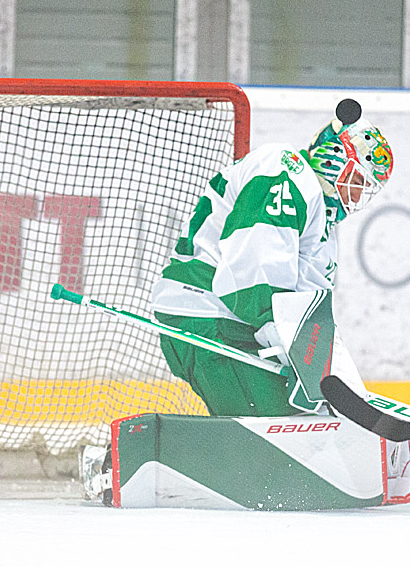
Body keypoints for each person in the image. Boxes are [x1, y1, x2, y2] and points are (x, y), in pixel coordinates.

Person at [149, 98, 393, 417]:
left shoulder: (323, 224)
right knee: (285, 425)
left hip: (236, 322)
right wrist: (307, 363)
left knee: (314, 417)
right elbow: (252, 281)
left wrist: (341, 381)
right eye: (358, 181)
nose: (358, 196)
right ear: (334, 158)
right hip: (206, 315)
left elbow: (308, 311)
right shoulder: (284, 171)